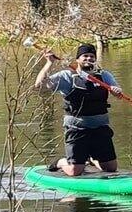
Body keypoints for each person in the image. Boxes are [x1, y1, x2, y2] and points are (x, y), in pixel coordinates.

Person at [33, 42, 119, 176]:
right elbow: (39, 85)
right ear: (78, 59)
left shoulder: (104, 76)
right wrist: (49, 63)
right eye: (85, 56)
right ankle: (61, 162)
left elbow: (118, 93)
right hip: (77, 130)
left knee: (111, 168)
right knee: (75, 171)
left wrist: (116, 91)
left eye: (91, 56)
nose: (89, 59)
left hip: (100, 128)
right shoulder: (66, 76)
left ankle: (90, 159)